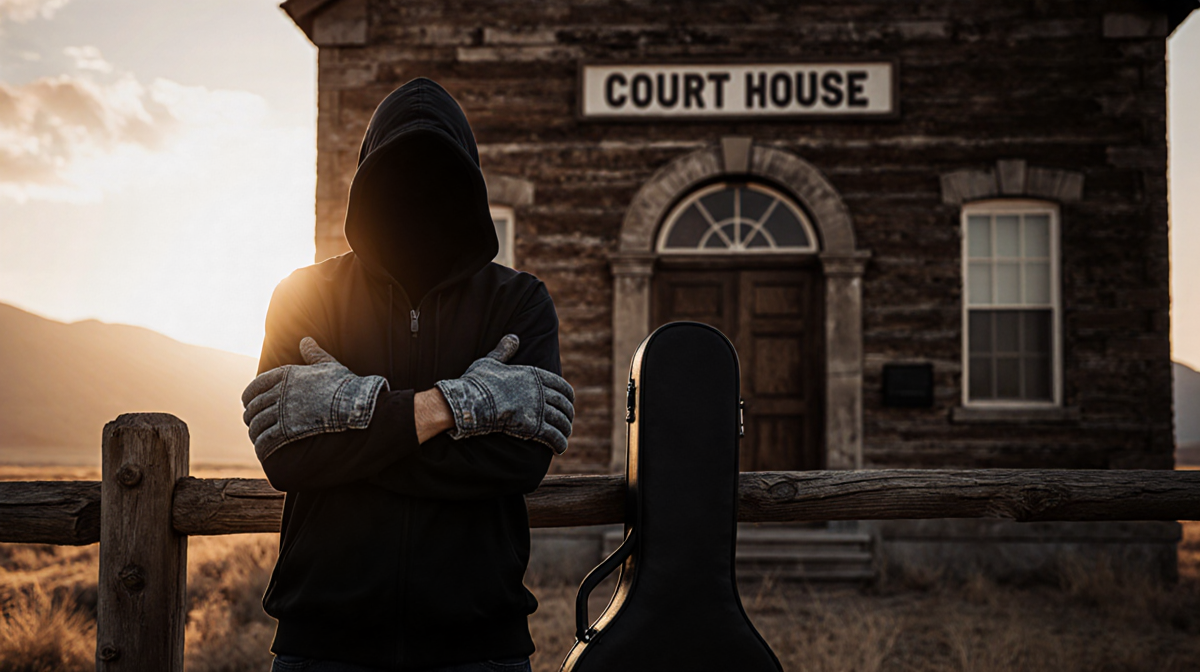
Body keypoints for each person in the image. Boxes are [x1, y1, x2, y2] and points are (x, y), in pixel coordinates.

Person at [240, 77, 575, 672]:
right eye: (400, 173)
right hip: (322, 642)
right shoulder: (304, 296)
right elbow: (288, 460)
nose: (419, 192)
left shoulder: (518, 303)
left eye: (438, 172)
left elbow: (519, 462)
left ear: (468, 179)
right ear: (368, 178)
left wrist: (350, 428)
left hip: (479, 644)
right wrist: (457, 407)